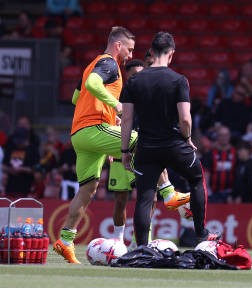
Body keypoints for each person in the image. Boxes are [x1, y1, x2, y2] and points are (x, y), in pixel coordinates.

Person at [53, 27, 188, 264]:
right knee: (141, 138)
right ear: (118, 46)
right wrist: (114, 105)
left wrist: (104, 113)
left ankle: (65, 240)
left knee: (88, 189)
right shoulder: (108, 64)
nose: (130, 54)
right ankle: (168, 193)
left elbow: (77, 98)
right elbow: (95, 84)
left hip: (80, 134)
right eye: (130, 49)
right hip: (93, 129)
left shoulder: (90, 65)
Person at [120, 31, 218, 247]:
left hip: (146, 147)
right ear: (171, 53)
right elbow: (185, 118)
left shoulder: (134, 81)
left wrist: (125, 151)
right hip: (174, 145)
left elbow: (126, 120)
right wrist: (188, 138)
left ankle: (142, 247)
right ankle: (201, 235)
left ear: (152, 52)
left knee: (145, 195)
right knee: (196, 180)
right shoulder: (178, 80)